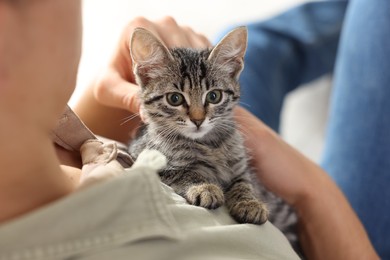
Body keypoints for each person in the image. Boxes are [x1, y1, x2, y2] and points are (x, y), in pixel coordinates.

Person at [0, 1, 380, 260]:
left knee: (256, 49)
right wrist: (316, 191)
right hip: (335, 233)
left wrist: (102, 102)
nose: (197, 115)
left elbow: (86, 147)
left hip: (220, 130)